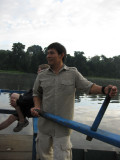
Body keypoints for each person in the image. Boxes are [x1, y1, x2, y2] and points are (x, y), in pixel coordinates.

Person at [31, 42, 117, 160]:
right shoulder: (41, 75)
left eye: (51, 53)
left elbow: (89, 87)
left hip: (63, 128)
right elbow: (36, 93)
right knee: (43, 156)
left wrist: (104, 89)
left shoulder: (72, 73)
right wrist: (37, 106)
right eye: (47, 53)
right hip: (44, 126)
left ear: (61, 55)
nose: (48, 56)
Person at [0, 64, 49, 132]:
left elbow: (35, 98)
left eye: (39, 70)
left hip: (32, 108)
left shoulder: (45, 83)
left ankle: (22, 120)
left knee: (14, 96)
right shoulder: (39, 81)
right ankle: (22, 120)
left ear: (44, 72)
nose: (37, 72)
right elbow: (30, 93)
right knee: (11, 118)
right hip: (26, 105)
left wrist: (18, 102)